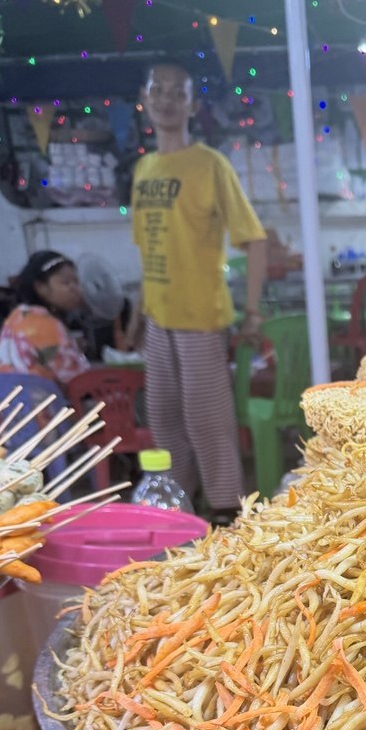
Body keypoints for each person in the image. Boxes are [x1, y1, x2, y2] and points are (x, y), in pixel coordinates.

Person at [127, 57, 267, 525]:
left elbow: (254, 239)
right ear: (144, 99)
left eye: (178, 92)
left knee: (207, 423)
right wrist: (135, 320)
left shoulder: (210, 165)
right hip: (157, 318)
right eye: (157, 89)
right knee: (164, 420)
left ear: (193, 105)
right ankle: (177, 513)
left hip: (201, 317)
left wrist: (252, 314)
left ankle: (228, 516)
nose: (166, 99)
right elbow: (147, 251)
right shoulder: (144, 168)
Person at [0, 250, 91, 386]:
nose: (75, 289)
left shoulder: (18, 314)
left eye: (76, 281)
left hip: (7, 400)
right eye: (66, 282)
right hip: (36, 403)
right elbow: (77, 378)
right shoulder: (45, 324)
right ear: (40, 287)